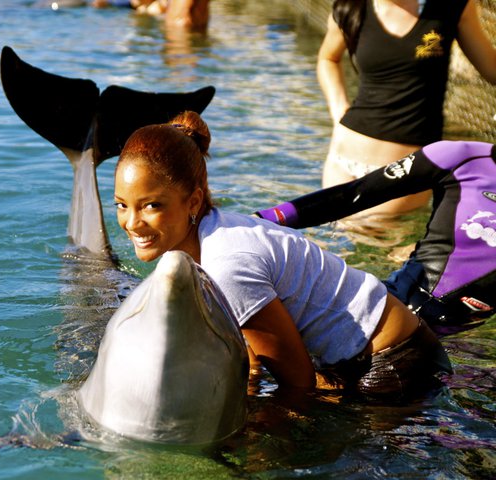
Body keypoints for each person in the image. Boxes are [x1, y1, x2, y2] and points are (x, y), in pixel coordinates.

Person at [113, 110, 451, 397]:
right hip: (375, 352)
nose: (131, 223)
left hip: (396, 366)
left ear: (194, 201)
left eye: (152, 205)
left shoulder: (225, 265)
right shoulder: (217, 231)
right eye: (122, 206)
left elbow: (299, 386)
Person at [256, 140, 496, 337]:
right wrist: (259, 219)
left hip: (464, 338)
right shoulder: (463, 158)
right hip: (390, 314)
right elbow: (352, 196)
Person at [318, 0, 496, 214]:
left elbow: (492, 70)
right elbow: (328, 58)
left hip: (407, 171)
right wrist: (338, 111)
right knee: (339, 240)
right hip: (342, 161)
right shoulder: (351, 7)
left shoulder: (451, 6)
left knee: (380, 239)